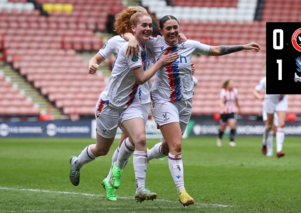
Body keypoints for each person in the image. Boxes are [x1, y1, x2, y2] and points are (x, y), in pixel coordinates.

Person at [124, 15, 260, 206]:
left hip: (185, 103)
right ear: (161, 31)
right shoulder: (153, 44)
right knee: (177, 146)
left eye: (175, 27)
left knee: (166, 147)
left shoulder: (189, 45)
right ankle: (182, 191)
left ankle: (146, 156)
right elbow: (129, 34)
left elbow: (216, 50)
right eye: (168, 28)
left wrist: (243, 46)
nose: (172, 31)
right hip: (163, 101)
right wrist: (130, 38)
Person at [69, 11, 179, 203]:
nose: (147, 28)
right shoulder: (121, 43)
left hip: (135, 103)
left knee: (139, 140)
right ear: (132, 26)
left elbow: (170, 40)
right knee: (102, 149)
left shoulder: (149, 43)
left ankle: (135, 186)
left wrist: (181, 40)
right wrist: (93, 64)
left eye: (149, 24)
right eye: (142, 24)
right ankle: (77, 163)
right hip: (111, 105)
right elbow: (97, 58)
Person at [253, 76, 278, 157]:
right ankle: (269, 150)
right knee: (269, 126)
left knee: (275, 130)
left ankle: (264, 141)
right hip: (267, 105)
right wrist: (260, 97)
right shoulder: (264, 80)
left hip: (278, 105)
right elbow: (255, 91)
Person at [262, 93, 287, 158]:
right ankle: (264, 142)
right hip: (271, 101)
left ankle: (279, 151)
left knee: (281, 124)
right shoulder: (264, 82)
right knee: (269, 126)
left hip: (281, 100)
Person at [217, 80, 241, 147]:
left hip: (232, 111)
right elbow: (220, 102)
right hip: (224, 112)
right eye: (231, 83)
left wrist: (239, 108)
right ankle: (219, 138)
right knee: (222, 128)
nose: (233, 84)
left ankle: (231, 141)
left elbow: (236, 100)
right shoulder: (222, 91)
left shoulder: (235, 91)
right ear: (227, 85)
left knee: (232, 125)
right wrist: (224, 109)